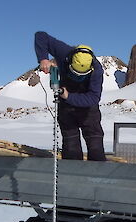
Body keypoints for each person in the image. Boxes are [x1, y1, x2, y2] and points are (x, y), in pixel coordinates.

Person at [34, 31, 106, 161]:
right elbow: (41, 36)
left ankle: (97, 178)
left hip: (88, 110)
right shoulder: (65, 53)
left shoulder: (97, 70)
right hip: (67, 109)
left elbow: (93, 98)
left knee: (96, 147)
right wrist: (43, 58)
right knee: (71, 147)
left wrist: (69, 96)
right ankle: (72, 178)